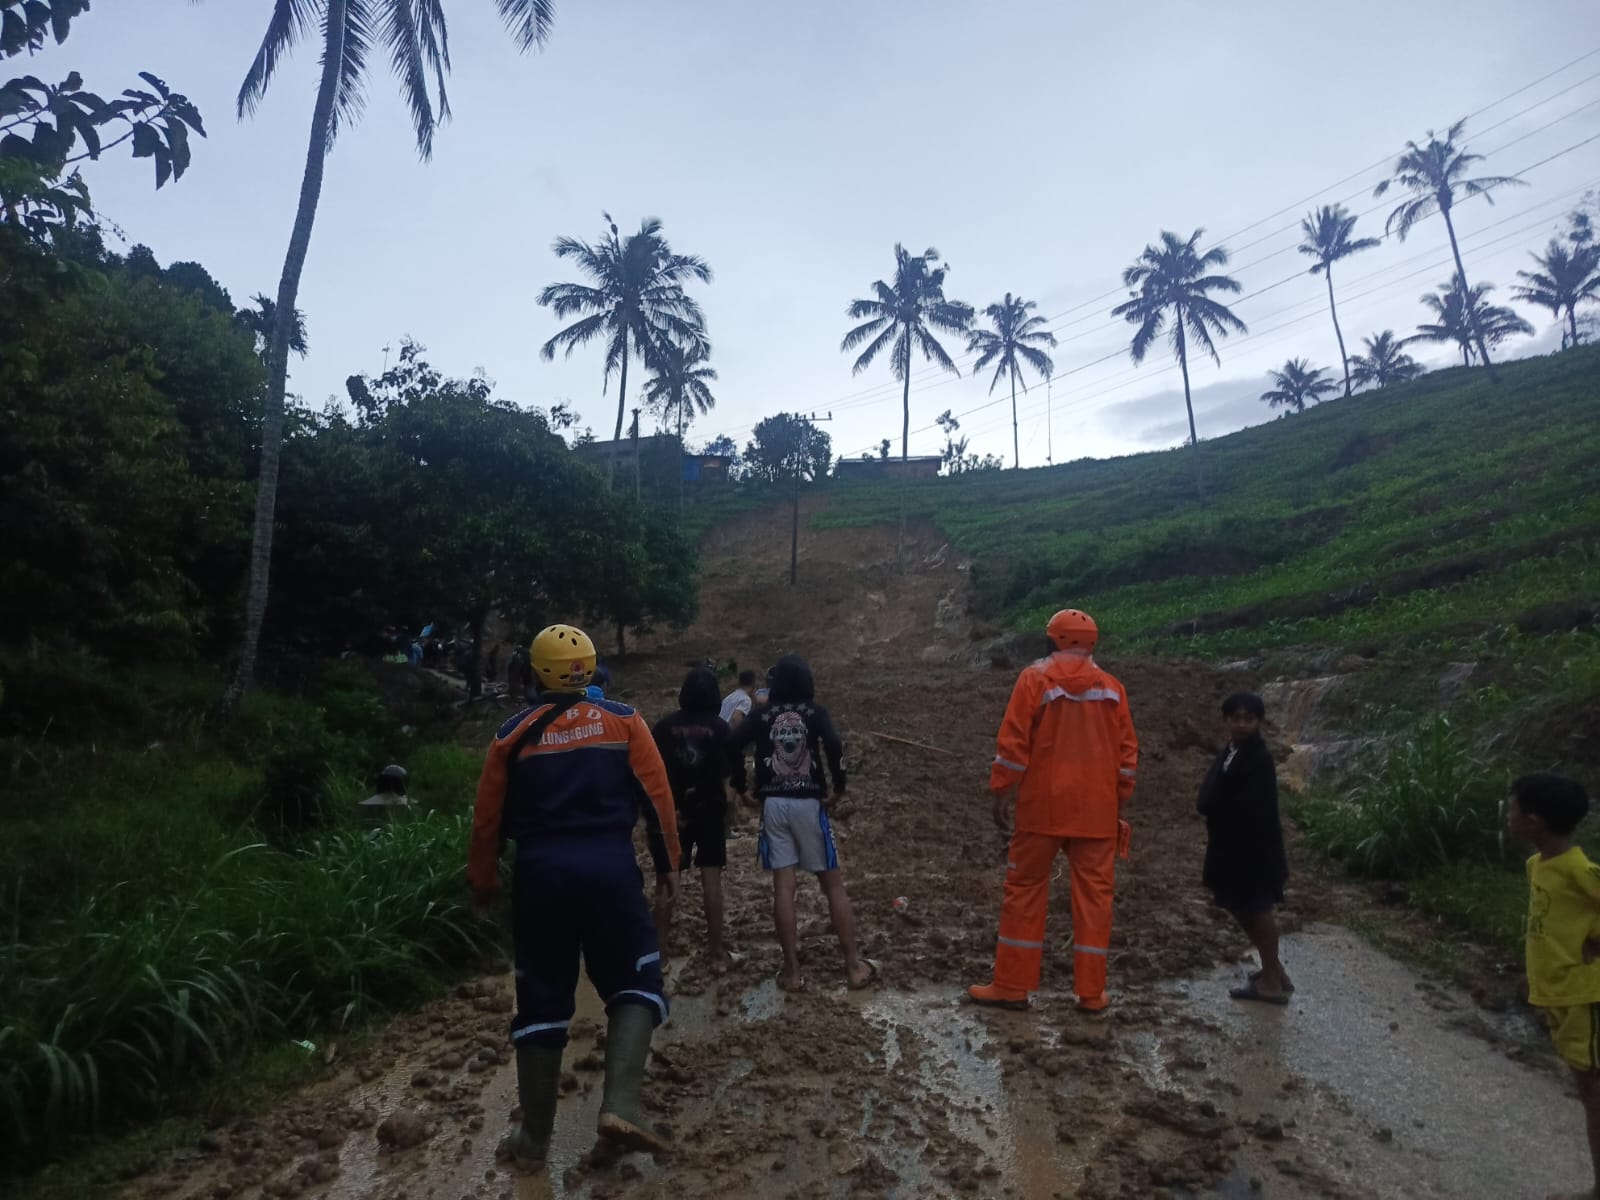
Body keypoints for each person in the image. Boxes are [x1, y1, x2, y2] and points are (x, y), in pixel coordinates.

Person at [468, 623, 680, 1164]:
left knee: (541, 1002)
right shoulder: (625, 721)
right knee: (636, 981)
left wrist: (484, 884)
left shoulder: (511, 735)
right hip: (610, 868)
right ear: (590, 667)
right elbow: (657, 801)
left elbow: (487, 822)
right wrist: (667, 869)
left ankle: (535, 1139)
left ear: (537, 673)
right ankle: (622, 1104)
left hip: (540, 876)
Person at [969, 608, 1138, 1014]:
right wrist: (1118, 798)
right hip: (1097, 815)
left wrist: (1001, 792)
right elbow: (1128, 754)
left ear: (1052, 640)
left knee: (1024, 892)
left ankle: (1011, 987)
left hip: (1041, 810)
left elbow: (1012, 744)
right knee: (1095, 901)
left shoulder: (1033, 680)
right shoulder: (1112, 689)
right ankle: (1091, 994)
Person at [728, 655, 876, 992]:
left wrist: (741, 785)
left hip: (773, 805)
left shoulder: (761, 714)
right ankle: (853, 966)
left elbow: (732, 743)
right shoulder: (816, 713)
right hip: (810, 803)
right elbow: (835, 744)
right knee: (832, 885)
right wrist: (838, 786)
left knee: (783, 887)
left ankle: (792, 972)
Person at [1507, 772, 1600, 1200]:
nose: (1509, 813)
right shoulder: (1537, 865)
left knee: (1594, 1091)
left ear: (1534, 821)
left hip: (1586, 996)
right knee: (1586, 1089)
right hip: (1561, 993)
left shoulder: (1579, 869)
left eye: (1514, 808)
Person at [1198, 692, 1292, 1003]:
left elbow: (1253, 809)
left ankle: (1271, 984)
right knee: (1240, 906)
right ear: (1225, 720)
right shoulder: (1233, 749)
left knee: (1256, 909)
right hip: (1232, 847)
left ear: (1259, 722)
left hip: (1251, 850)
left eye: (1248, 719)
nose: (1241, 724)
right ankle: (1273, 970)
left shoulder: (1258, 758)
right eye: (1235, 718)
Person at [652, 666, 737, 974]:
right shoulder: (722, 729)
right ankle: (716, 954)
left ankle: (658, 954)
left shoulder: (662, 728)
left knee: (666, 879)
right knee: (711, 881)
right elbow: (730, 778)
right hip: (711, 810)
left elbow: (652, 774)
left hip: (672, 812)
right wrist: (728, 809)